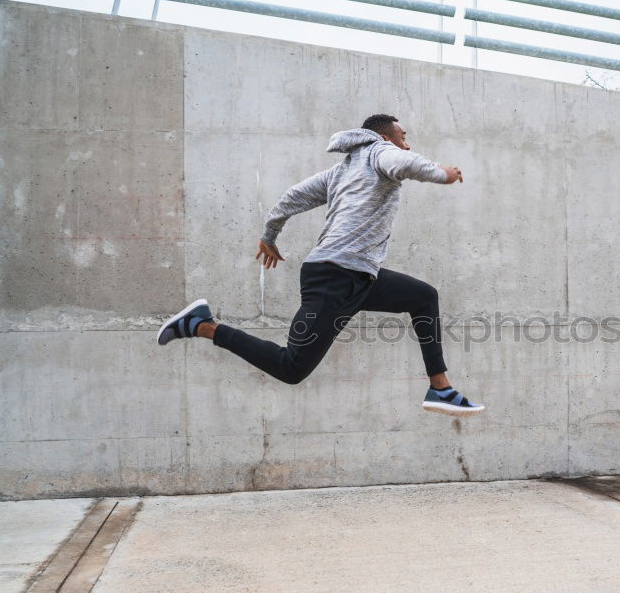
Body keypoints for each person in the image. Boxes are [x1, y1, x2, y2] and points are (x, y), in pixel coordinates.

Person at [156, 114, 484, 416]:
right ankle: (203, 325)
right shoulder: (379, 152)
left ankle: (440, 387)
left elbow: (290, 198)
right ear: (383, 136)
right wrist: (441, 173)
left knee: (423, 297)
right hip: (333, 276)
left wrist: (270, 236)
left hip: (360, 275)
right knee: (291, 368)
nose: (408, 143)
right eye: (403, 136)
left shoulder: (339, 172)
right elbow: (402, 160)